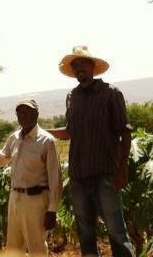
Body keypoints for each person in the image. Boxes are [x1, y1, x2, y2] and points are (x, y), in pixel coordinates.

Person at [48, 45, 136, 257]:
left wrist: (122, 168)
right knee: (85, 233)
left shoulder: (110, 94)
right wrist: (43, 132)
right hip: (78, 176)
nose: (79, 68)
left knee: (117, 232)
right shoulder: (73, 97)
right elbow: (70, 131)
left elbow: (124, 132)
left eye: (83, 63)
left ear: (93, 66)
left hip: (105, 173)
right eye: (75, 65)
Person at [0, 99, 61, 256]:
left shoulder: (47, 141)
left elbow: (55, 178)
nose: (23, 116)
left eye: (27, 112)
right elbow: (0, 158)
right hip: (15, 198)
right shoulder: (14, 138)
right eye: (20, 113)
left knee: (37, 248)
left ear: (36, 114)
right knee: (13, 248)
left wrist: (52, 210)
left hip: (36, 201)